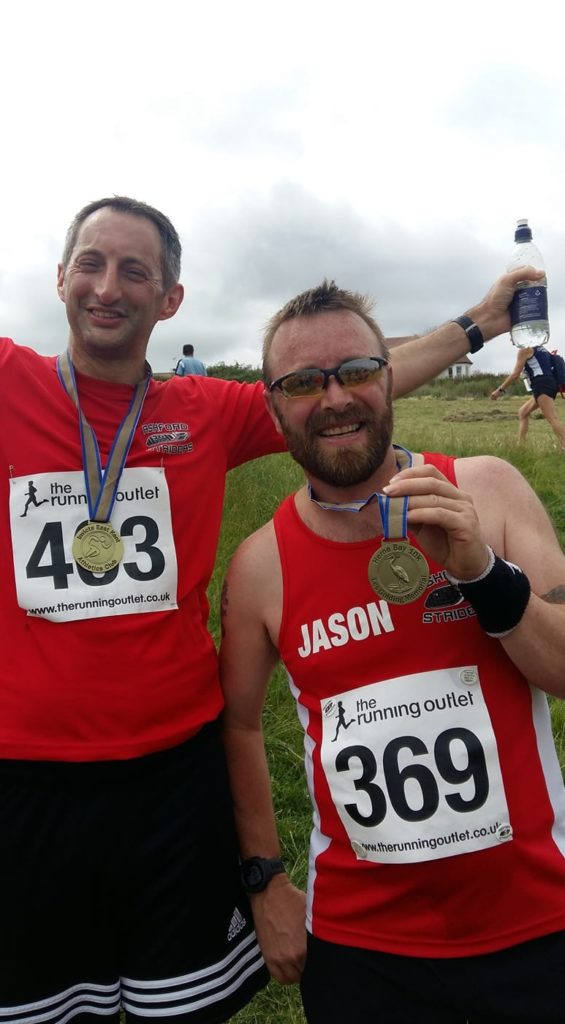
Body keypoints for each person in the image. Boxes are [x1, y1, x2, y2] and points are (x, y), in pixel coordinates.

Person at [0, 193, 543, 1023]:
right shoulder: (8, 384)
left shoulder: (200, 411)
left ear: (170, 298)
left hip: (170, 774)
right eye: (91, 264)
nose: (108, 286)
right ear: (60, 279)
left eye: (135, 270)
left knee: (171, 1009)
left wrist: (479, 322)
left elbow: (340, 390)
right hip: (24, 778)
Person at [219, 280, 565, 1024]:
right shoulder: (259, 566)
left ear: (388, 376)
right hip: (360, 949)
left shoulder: (487, 489)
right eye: (304, 383)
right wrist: (265, 880)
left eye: (355, 372)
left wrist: (481, 573)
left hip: (536, 920)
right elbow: (241, 725)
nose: (335, 398)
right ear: (273, 408)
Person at [491, 344, 565, 450]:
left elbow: (515, 374)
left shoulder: (524, 350)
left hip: (541, 384)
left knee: (552, 417)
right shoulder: (540, 347)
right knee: (523, 412)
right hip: (549, 383)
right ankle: (521, 446)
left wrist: (499, 390)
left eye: (512, 336)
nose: (511, 340)